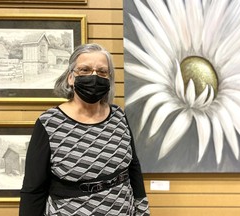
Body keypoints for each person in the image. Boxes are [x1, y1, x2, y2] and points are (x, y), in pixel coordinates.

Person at [19, 43, 150, 216]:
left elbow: (133, 166)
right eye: (85, 70)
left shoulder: (119, 116)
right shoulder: (49, 123)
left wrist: (142, 209)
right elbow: (33, 189)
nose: (94, 76)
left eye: (102, 72)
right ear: (71, 77)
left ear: (109, 79)